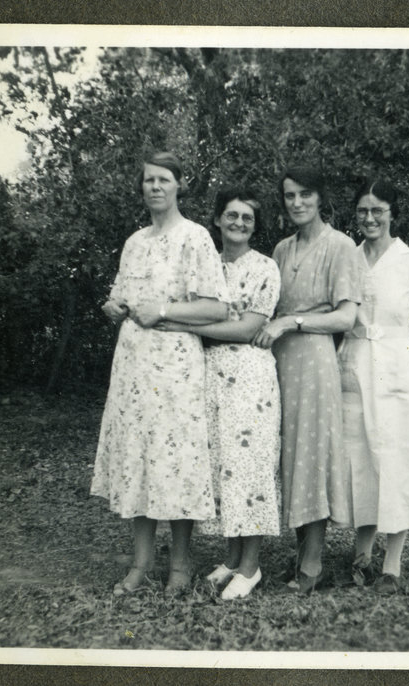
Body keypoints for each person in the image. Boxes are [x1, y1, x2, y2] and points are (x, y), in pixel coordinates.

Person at [91, 152, 229, 596]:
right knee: (140, 459)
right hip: (133, 367)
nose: (155, 187)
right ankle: (141, 563)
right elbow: (121, 296)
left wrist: (165, 310)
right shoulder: (135, 242)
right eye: (149, 180)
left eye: (164, 179)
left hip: (175, 367)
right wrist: (113, 307)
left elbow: (217, 307)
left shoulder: (197, 238)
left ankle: (182, 565)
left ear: (179, 185)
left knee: (177, 461)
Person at [157, 188, 281, 600]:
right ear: (217, 219)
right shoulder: (204, 265)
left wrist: (190, 327)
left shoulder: (266, 268)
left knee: (250, 466)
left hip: (249, 377)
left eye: (247, 218)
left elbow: (247, 329)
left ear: (255, 226)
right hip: (207, 376)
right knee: (223, 467)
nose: (239, 223)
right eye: (232, 215)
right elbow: (190, 307)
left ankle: (251, 566)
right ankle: (230, 559)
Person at [252, 167, 362, 593]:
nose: (297, 203)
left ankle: (313, 565)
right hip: (278, 362)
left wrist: (291, 322)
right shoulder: (282, 249)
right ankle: (301, 555)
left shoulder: (341, 246)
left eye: (305, 195)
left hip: (314, 360)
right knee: (290, 453)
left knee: (312, 453)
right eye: (289, 196)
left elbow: (346, 316)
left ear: (321, 198)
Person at [334, 178, 409, 594]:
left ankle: (392, 563)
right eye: (363, 210)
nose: (369, 217)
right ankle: (360, 555)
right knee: (358, 458)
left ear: (392, 213)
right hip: (354, 364)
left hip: (398, 366)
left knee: (396, 459)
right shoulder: (348, 257)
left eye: (378, 210)